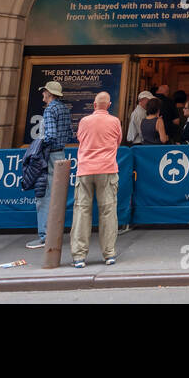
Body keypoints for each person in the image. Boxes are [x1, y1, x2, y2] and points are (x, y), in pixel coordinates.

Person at [69, 92, 123, 268]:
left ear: (94, 105)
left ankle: (79, 256)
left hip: (85, 170)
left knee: (81, 212)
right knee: (107, 212)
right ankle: (109, 254)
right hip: (107, 169)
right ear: (109, 105)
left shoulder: (84, 122)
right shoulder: (115, 122)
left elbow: (80, 139)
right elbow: (117, 142)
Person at [28, 80, 70, 249]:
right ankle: (54, 232)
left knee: (44, 195)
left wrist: (39, 145)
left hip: (50, 155)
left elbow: (50, 135)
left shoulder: (50, 109)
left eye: (44, 91)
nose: (43, 94)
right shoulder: (64, 109)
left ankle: (45, 235)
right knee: (57, 195)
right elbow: (68, 133)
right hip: (61, 153)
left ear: (49, 93)